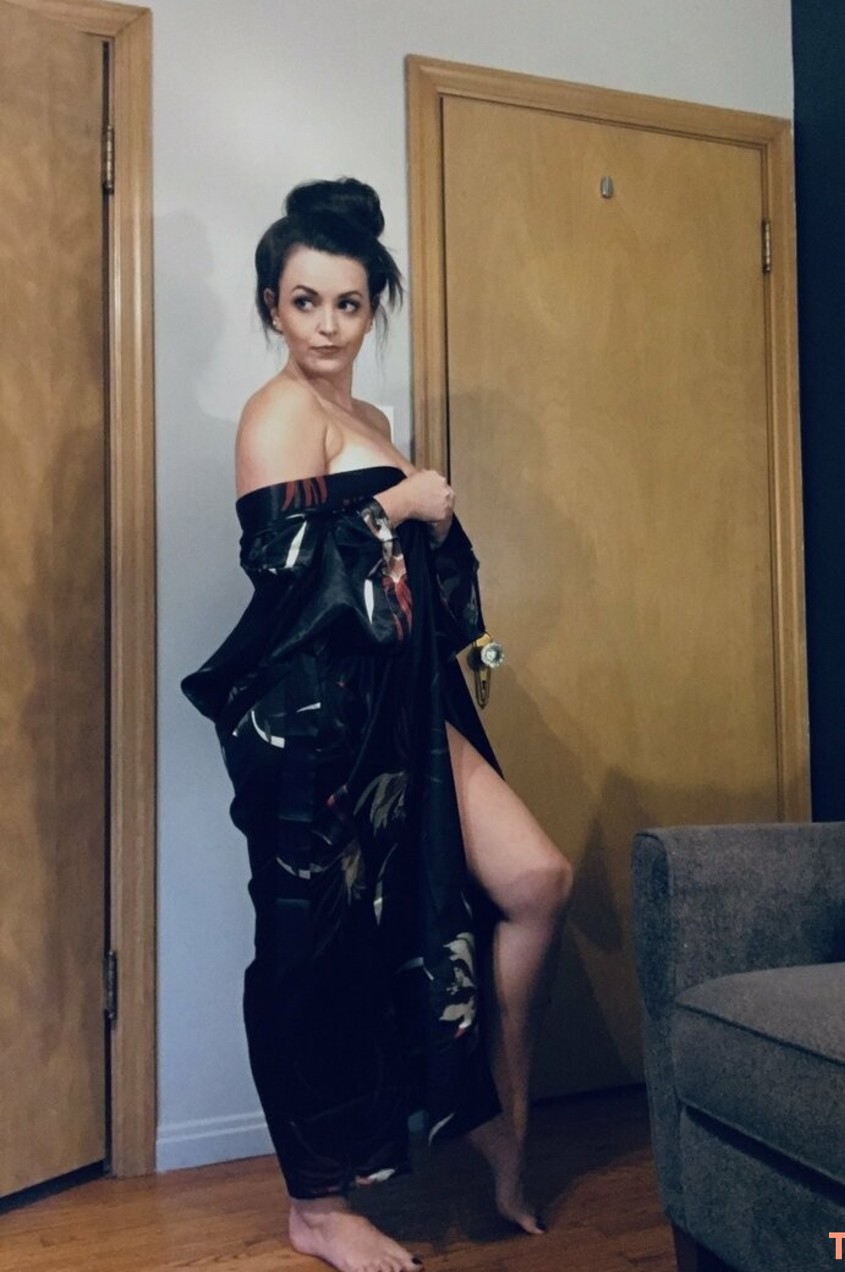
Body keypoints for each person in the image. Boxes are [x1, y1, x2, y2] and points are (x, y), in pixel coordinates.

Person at [182, 177, 573, 1272]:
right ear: (272, 304)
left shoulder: (374, 423)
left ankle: (498, 1122)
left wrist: (482, 651)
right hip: (313, 726)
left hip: (402, 711)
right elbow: (282, 574)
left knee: (535, 881)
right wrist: (398, 505)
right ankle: (316, 1204)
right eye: (304, 302)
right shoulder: (277, 413)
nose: (326, 326)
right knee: (314, 956)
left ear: (373, 308)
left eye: (348, 304)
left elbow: (427, 591)